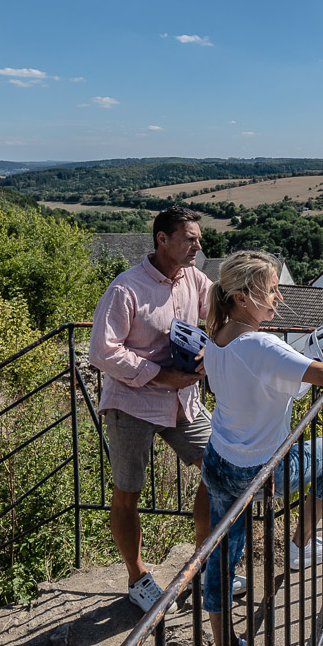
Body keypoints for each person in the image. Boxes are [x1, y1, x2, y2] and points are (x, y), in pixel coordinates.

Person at [196, 250, 323, 646]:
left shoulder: (216, 339)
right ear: (240, 297)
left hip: (220, 459)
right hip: (260, 469)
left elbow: (253, 379)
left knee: (219, 556)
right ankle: (299, 546)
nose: (278, 298)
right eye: (270, 290)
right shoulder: (259, 344)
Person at [87, 207, 213, 611]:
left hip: (183, 402)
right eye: (189, 238)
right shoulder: (126, 288)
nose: (198, 245)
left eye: (197, 238)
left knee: (220, 469)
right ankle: (137, 577)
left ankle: (205, 563)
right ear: (162, 239)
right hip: (133, 403)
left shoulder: (194, 279)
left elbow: (223, 311)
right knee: (128, 494)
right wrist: (159, 375)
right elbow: (103, 352)